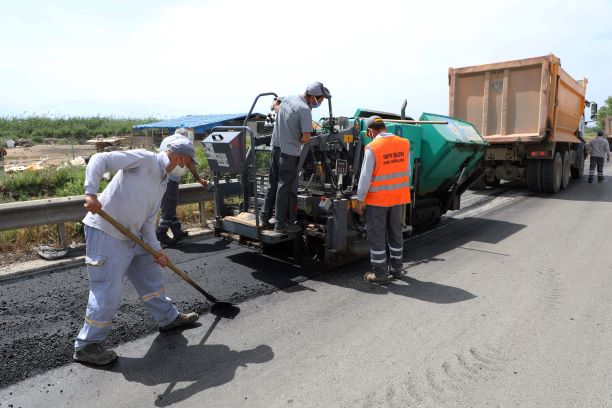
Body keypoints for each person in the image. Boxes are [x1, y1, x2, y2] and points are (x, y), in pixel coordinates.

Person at [74, 138, 201, 366]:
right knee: (107, 290)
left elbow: (148, 220)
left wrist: (157, 251)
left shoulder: (163, 180)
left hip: (133, 235)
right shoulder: (145, 159)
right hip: (106, 233)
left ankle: (168, 318)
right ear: (181, 158)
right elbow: (99, 158)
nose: (189, 167)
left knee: (151, 276)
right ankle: (87, 346)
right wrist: (90, 193)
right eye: (190, 162)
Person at [261, 82, 331, 232]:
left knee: (273, 183)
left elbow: (276, 104)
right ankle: (281, 224)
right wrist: (298, 136)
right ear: (312, 97)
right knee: (284, 187)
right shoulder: (305, 110)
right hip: (289, 153)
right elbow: (306, 138)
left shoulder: (289, 98)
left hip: (276, 147)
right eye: (319, 100)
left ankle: (264, 217)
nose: (319, 103)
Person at [355, 116, 411, 283]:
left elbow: (365, 177)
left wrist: (360, 200)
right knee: (395, 233)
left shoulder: (372, 147)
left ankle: (380, 274)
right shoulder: (404, 143)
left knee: (377, 236)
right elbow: (406, 170)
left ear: (371, 131)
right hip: (398, 198)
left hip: (378, 200)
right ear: (384, 127)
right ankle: (397, 269)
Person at [156, 128, 208, 246]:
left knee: (169, 206)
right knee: (168, 208)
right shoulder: (184, 143)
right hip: (171, 179)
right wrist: (199, 179)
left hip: (161, 177)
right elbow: (189, 163)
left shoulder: (167, 140)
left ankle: (177, 231)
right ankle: (161, 235)